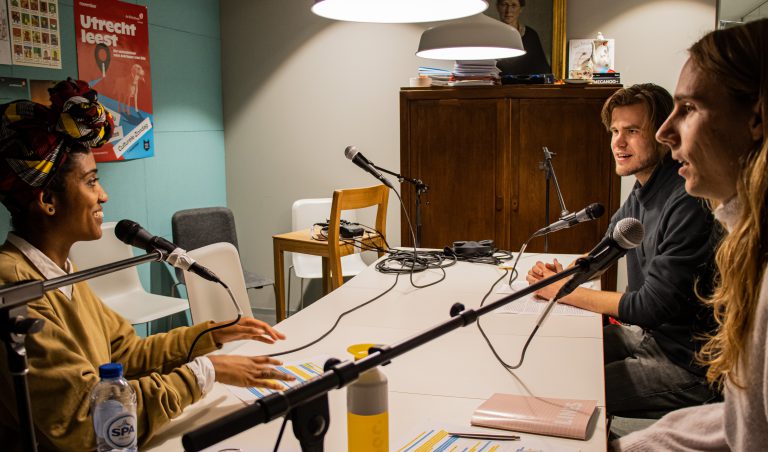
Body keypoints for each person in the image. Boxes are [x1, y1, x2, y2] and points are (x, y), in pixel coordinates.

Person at [0, 79, 295, 451]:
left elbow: (126, 356)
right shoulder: (14, 287)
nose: (103, 195)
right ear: (47, 200)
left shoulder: (60, 272)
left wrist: (211, 334)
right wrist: (207, 371)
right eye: (91, 182)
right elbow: (80, 421)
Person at [614, 18, 768, 450]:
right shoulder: (746, 237)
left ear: (756, 119)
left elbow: (649, 306)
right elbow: (746, 420)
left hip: (680, 362)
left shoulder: (687, 201)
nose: (666, 132)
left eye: (689, 108)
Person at [526, 83, 721, 418]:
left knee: (565, 392)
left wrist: (562, 291)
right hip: (653, 340)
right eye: (615, 130)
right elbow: (602, 255)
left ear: (664, 135)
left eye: (632, 130)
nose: (618, 142)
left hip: (690, 366)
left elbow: (648, 307)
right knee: (558, 358)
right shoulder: (643, 189)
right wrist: (564, 274)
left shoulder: (686, 198)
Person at [495, 0, 551, 76]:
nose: (508, 11)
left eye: (514, 5)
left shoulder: (531, 35)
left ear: (521, 9)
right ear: (497, 7)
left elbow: (542, 70)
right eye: (504, 4)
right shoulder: (490, 35)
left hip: (524, 87)